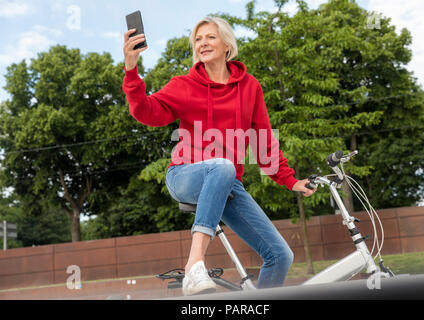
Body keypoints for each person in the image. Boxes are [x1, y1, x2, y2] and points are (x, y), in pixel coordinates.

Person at [122, 16, 316, 296]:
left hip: (226, 183)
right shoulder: (184, 85)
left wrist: (290, 180)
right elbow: (145, 112)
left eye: (210, 37)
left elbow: (262, 140)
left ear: (227, 45)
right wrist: (131, 69)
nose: (203, 43)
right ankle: (194, 265)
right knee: (223, 166)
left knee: (280, 255)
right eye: (198, 39)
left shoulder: (249, 87)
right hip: (184, 175)